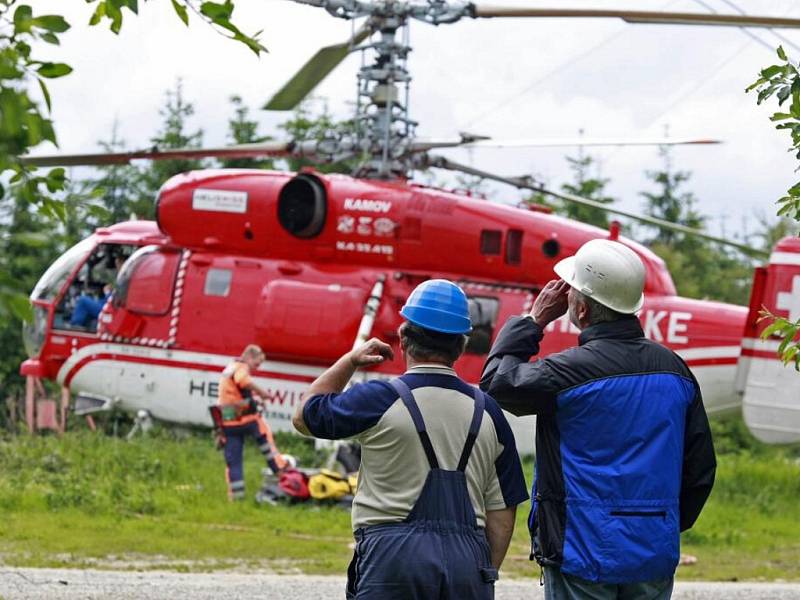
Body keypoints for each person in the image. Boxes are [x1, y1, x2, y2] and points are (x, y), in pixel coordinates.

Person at [480, 239, 716, 599]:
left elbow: (496, 384)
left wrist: (534, 320)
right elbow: (699, 468)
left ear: (582, 310)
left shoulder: (566, 373)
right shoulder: (675, 370)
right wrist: (662, 526)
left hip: (581, 551)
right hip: (653, 550)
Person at [293, 279, 528, 600]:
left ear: (403, 338)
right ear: (461, 346)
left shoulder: (378, 399)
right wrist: (483, 572)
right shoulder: (489, 411)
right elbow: (503, 511)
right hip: (467, 560)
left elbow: (305, 416)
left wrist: (350, 360)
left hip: (392, 556)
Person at [218, 344, 288, 500]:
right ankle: (281, 470)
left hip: (228, 420)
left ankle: (236, 497)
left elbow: (235, 393)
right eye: (256, 364)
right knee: (265, 436)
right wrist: (263, 394)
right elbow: (244, 382)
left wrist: (255, 401)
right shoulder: (241, 367)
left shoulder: (230, 367)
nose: (256, 368)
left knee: (233, 460)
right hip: (244, 418)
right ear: (249, 357)